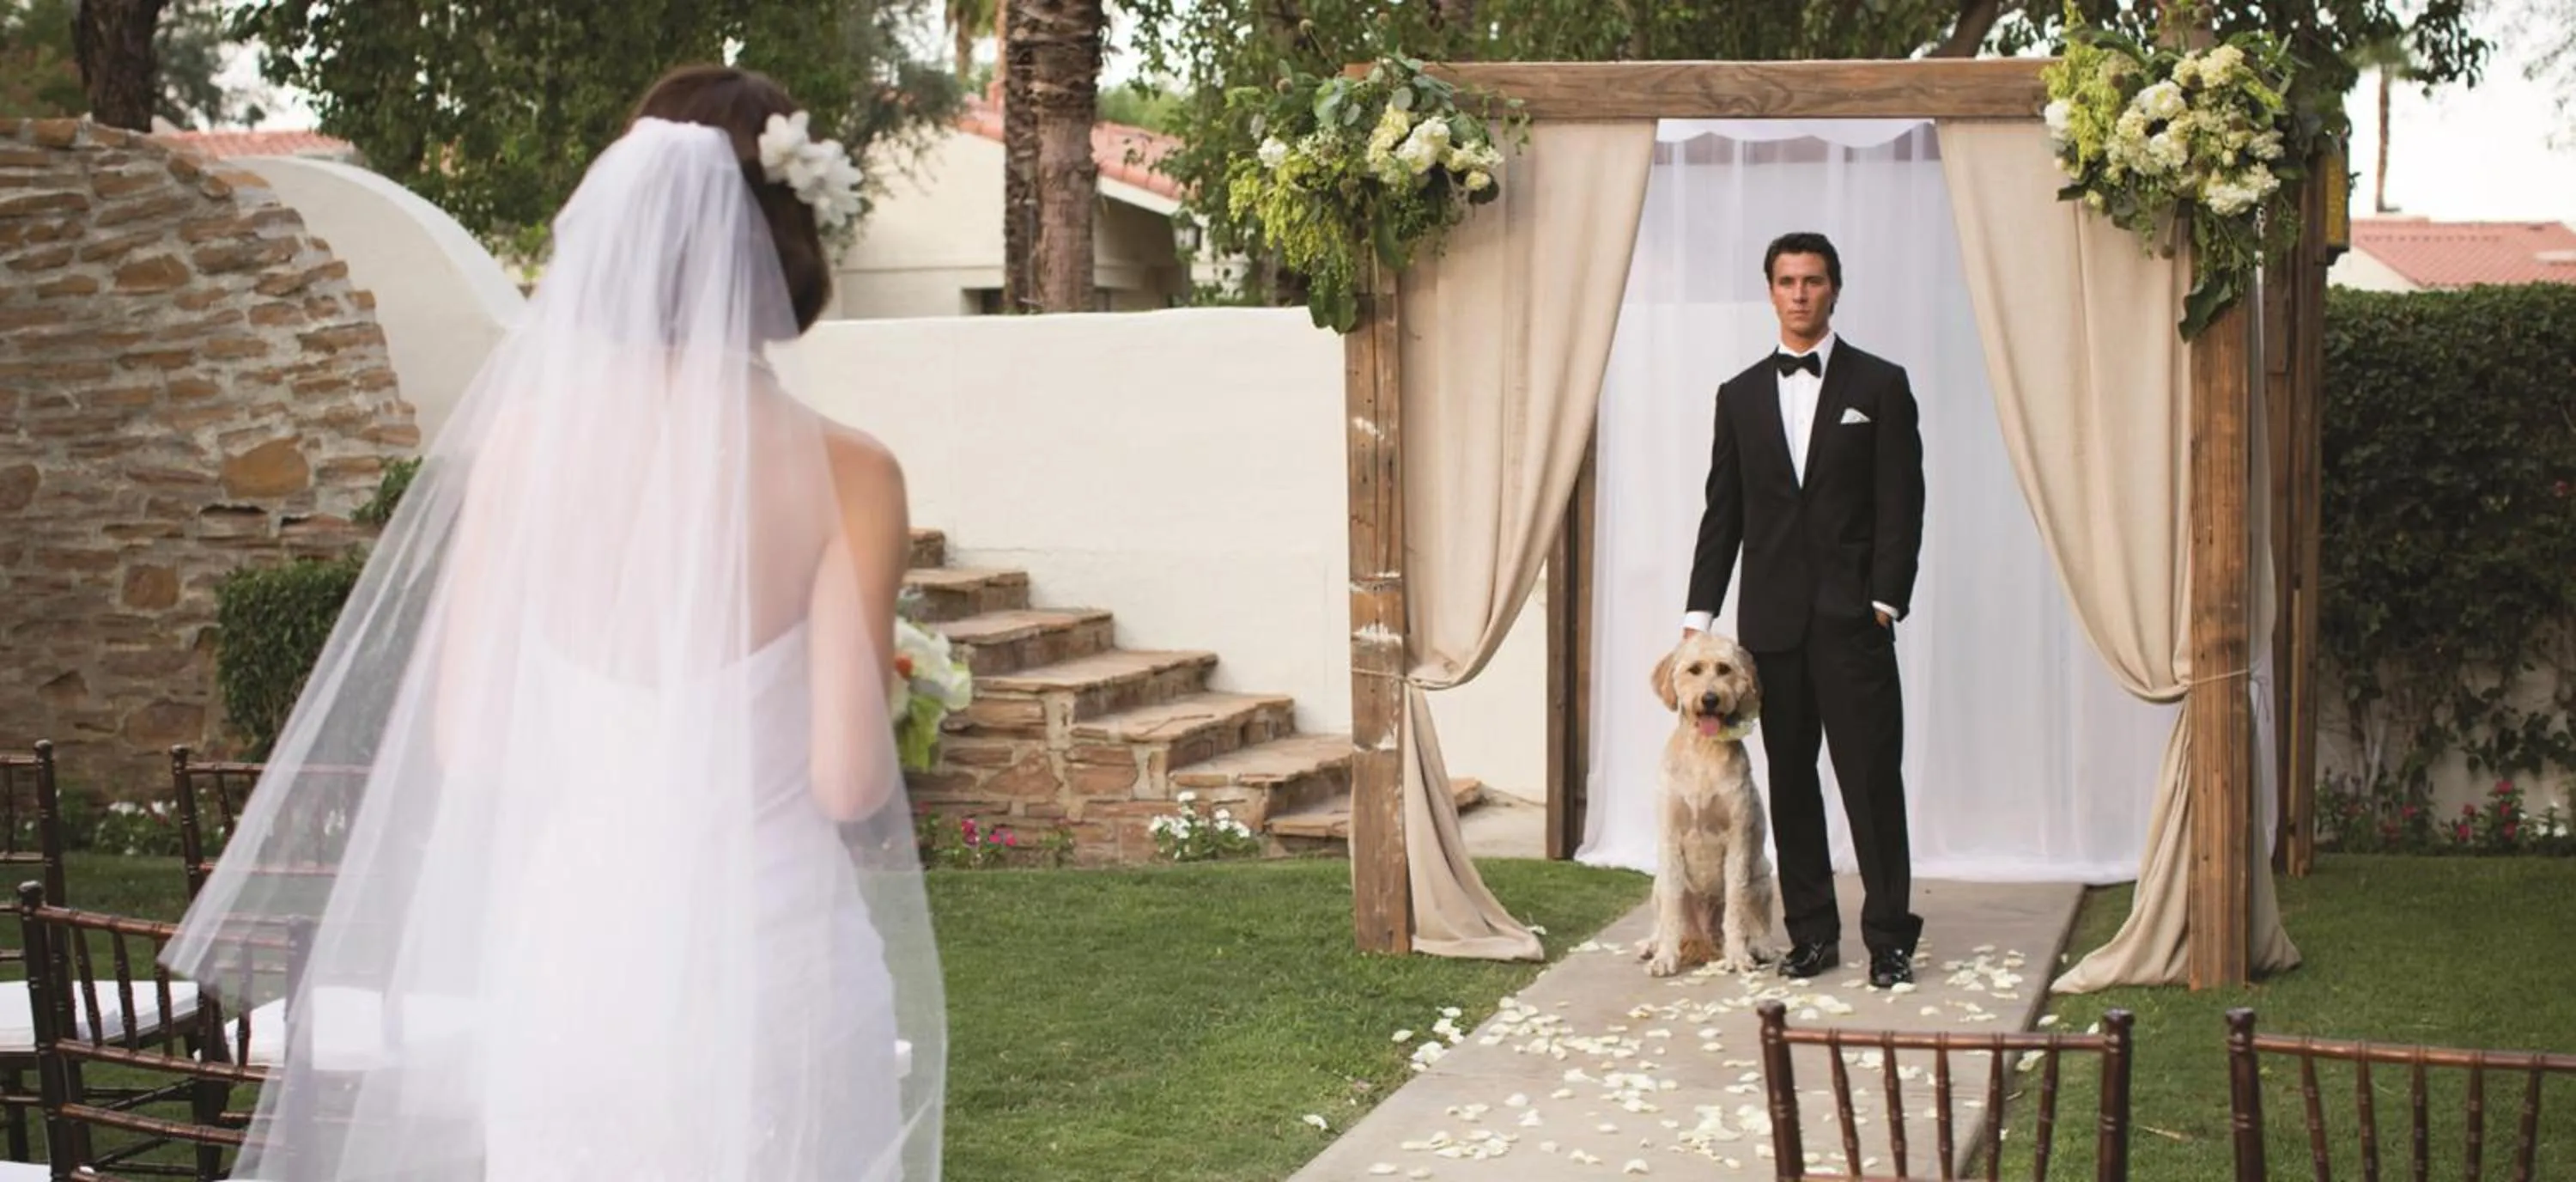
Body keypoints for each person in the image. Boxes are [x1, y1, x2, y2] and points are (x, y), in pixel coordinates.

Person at [163, 64, 945, 1180]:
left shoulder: (525, 447)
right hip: (776, 961)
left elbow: (473, 745)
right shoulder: (852, 474)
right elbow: (849, 783)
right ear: (790, 232)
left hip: (572, 960)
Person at [1680, 231, 1926, 990]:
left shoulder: (1881, 385)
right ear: (1770, 291)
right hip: (1772, 631)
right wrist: (1699, 615)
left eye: (1813, 281)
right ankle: (1813, 934)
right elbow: (1723, 511)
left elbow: (1902, 501)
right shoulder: (1740, 394)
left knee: (1871, 782)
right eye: (1786, 281)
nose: (1799, 294)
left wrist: (1884, 601)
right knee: (1789, 784)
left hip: (1855, 623)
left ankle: (1889, 938)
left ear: (1834, 289)